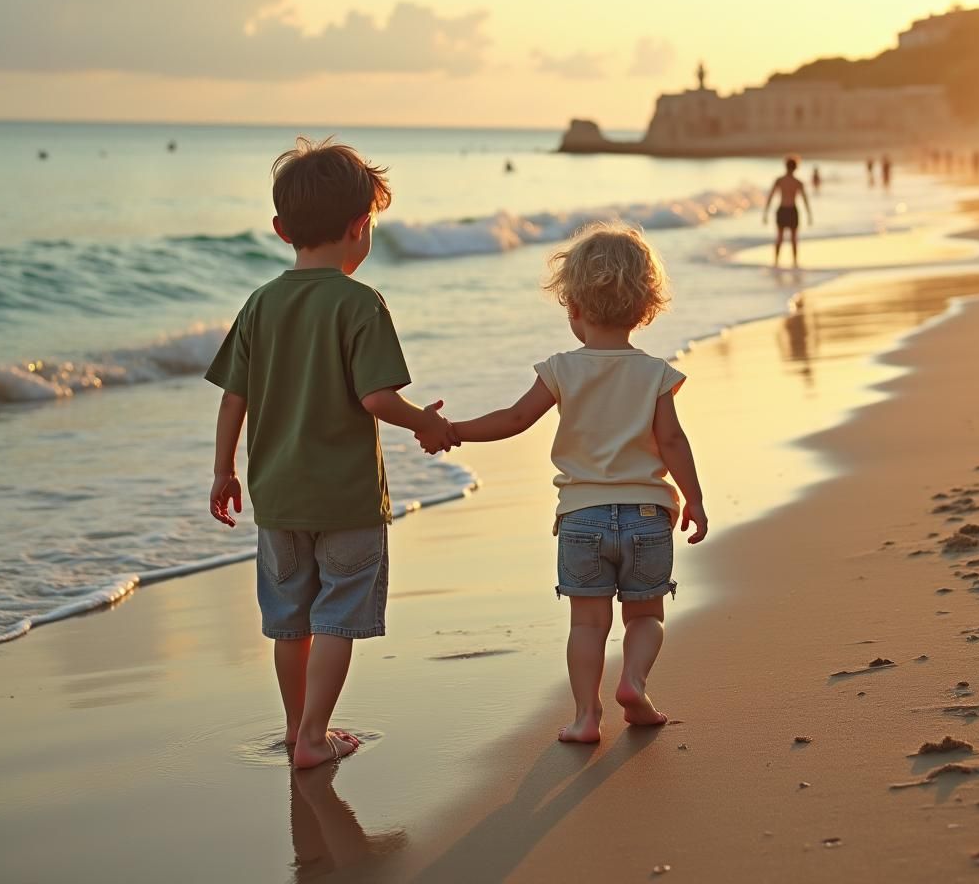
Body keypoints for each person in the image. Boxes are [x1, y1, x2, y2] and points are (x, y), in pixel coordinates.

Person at [205, 137, 458, 769]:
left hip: (278, 499)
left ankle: (296, 729)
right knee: (338, 616)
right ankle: (316, 736)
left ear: (281, 229)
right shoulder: (359, 303)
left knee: (290, 622)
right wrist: (424, 424)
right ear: (360, 228)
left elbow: (233, 398)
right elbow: (376, 399)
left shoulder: (259, 304)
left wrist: (222, 470)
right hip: (346, 500)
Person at [447, 224, 707, 744]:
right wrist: (694, 499)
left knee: (587, 625)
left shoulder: (562, 370)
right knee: (645, 616)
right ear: (646, 308)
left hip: (582, 519)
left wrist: (452, 432)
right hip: (649, 516)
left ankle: (587, 717)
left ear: (574, 309)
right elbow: (673, 442)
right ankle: (633, 682)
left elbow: (513, 420)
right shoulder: (656, 373)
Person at [763, 155, 812, 267]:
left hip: (782, 210)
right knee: (794, 238)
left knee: (779, 237)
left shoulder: (779, 180)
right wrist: (809, 215)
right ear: (796, 167)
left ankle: (776, 262)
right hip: (792, 210)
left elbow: (770, 197)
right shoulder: (798, 182)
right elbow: (805, 200)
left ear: (786, 166)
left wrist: (765, 213)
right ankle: (794, 262)